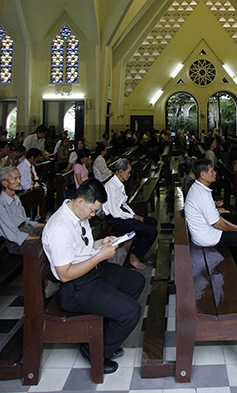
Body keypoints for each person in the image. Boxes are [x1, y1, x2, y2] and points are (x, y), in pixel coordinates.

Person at [42, 178, 145, 374]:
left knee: (136, 281)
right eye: (92, 210)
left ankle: (105, 335)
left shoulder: (77, 214)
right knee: (131, 312)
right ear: (79, 201)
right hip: (75, 288)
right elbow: (64, 275)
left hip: (90, 273)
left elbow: (83, 248)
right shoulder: (60, 228)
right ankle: (95, 350)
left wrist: (101, 242)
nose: (93, 215)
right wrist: (99, 257)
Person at [185, 159, 237, 274]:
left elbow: (216, 217)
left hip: (204, 231)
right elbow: (216, 223)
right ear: (202, 175)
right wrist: (236, 230)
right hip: (205, 237)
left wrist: (234, 227)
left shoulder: (199, 187)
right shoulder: (201, 194)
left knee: (231, 221)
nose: (215, 173)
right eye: (212, 171)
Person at [102, 158, 158, 269]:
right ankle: (135, 255)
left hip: (124, 213)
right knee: (152, 232)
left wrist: (134, 215)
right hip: (117, 220)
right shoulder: (111, 186)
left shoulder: (119, 183)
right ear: (120, 171)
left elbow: (124, 204)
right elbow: (116, 212)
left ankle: (135, 247)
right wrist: (132, 216)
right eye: (128, 172)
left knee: (152, 221)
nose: (129, 175)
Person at [0, 166, 44, 255]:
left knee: (51, 231)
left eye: (19, 178)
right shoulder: (1, 203)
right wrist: (36, 238)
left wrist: (42, 225)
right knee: (44, 245)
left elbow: (24, 220)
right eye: (15, 179)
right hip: (15, 241)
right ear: (5, 183)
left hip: (26, 229)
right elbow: (13, 234)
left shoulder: (16, 198)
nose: (19, 181)